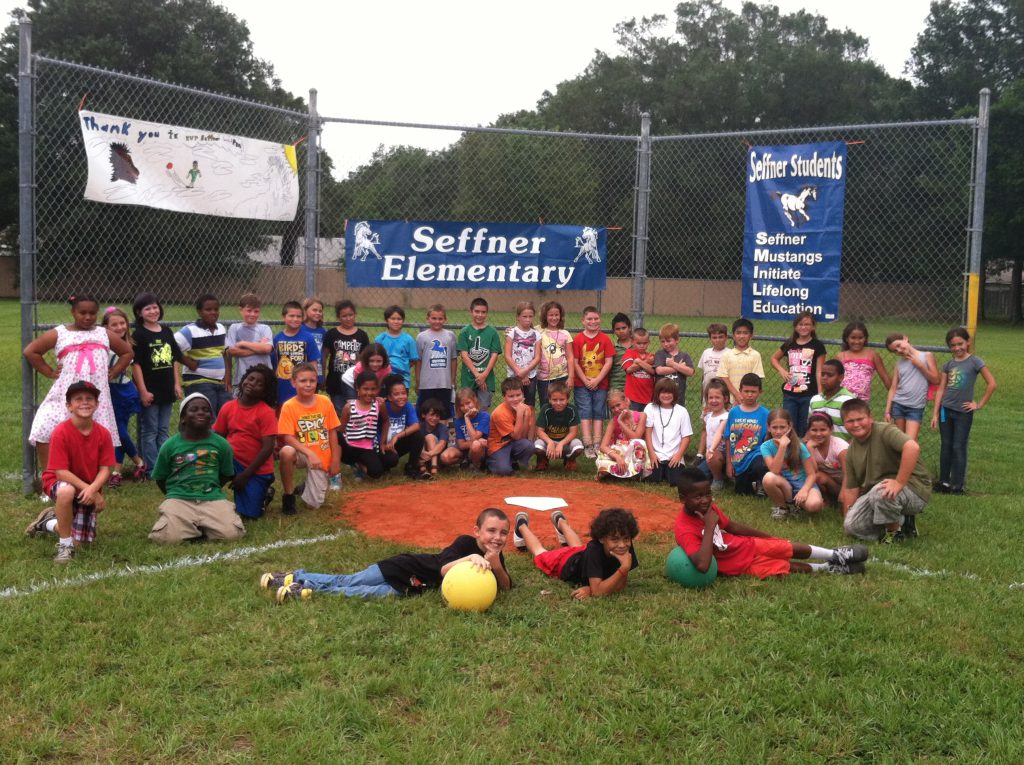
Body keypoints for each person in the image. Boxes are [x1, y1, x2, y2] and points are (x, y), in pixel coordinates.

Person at [262, 508, 512, 602]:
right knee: (350, 580)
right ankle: (295, 576)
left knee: (356, 593)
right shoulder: (465, 543)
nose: (497, 537)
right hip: (402, 567)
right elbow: (444, 570)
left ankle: (303, 590)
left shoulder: (495, 555)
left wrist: (495, 564)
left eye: (503, 533)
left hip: (410, 588)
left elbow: (506, 587)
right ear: (477, 531)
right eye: (491, 531)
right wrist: (470, 558)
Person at [674, 468, 868, 579]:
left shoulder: (708, 509)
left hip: (744, 545)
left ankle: (835, 554)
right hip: (738, 566)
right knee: (784, 566)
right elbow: (702, 565)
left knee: (786, 546)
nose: (705, 500)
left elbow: (732, 527)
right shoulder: (684, 529)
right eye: (698, 496)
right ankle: (827, 567)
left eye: (708, 494)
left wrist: (769, 537)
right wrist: (709, 526)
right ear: (683, 499)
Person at [25, 295, 130, 478]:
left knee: (95, 437)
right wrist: (49, 372)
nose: (88, 317)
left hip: (95, 397)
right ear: (73, 312)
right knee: (44, 428)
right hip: (65, 394)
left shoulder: (103, 333)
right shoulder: (60, 333)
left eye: (92, 313)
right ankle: (49, 480)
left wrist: (114, 371)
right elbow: (31, 351)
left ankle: (91, 480)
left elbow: (127, 352)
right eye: (82, 313)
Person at [24, 381, 116, 564]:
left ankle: (47, 523)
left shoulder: (104, 434)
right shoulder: (61, 432)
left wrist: (94, 490)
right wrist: (91, 491)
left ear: (97, 404)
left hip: (86, 486)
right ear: (69, 406)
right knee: (66, 491)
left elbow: (106, 469)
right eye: (78, 399)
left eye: (90, 398)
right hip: (59, 481)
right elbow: (61, 473)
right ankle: (65, 546)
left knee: (81, 543)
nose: (84, 402)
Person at [148, 392, 245, 544]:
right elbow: (161, 478)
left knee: (232, 534)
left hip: (212, 498)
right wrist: (175, 493)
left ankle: (195, 526)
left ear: (211, 418)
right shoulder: (170, 445)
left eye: (206, 410)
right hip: (180, 498)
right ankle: (190, 523)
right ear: (183, 418)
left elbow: (225, 474)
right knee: (166, 538)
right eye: (194, 409)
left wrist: (209, 489)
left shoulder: (222, 444)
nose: (201, 412)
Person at [841, 398, 931, 543]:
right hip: (879, 492)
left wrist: (899, 482)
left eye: (860, 419)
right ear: (844, 424)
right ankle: (903, 522)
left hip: (914, 487)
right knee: (852, 526)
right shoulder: (850, 451)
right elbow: (851, 490)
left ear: (870, 418)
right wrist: (848, 518)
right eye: (850, 421)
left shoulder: (885, 430)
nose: (856, 424)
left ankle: (893, 534)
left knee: (881, 491)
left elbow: (912, 448)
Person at [513, 508, 639, 600]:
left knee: (579, 547)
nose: (622, 545)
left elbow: (621, 585)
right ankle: (521, 526)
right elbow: (598, 592)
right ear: (601, 538)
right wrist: (623, 569)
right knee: (540, 553)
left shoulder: (624, 546)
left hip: (582, 553)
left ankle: (561, 522)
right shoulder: (594, 551)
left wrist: (591, 589)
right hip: (566, 563)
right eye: (615, 539)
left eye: (626, 539)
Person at [930, 327, 997, 494]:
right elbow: (940, 390)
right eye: (953, 345)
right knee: (946, 446)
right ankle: (944, 483)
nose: (957, 348)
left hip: (963, 413)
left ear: (968, 342)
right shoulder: (948, 365)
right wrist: (935, 413)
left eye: (960, 344)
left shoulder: (975, 362)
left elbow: (992, 384)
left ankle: (957, 486)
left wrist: (978, 404)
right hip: (946, 411)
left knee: (958, 447)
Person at [130, 292, 185, 478]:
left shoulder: (167, 331)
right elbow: (136, 365)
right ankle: (152, 469)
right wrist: (143, 391)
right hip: (150, 390)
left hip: (167, 388)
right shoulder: (139, 335)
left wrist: (177, 384)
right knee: (150, 430)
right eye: (148, 308)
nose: (153, 311)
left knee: (163, 430)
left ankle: (164, 466)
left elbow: (174, 359)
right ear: (139, 312)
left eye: (155, 307)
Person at [213, 364, 277, 519]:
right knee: (209, 473)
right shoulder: (228, 407)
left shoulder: (266, 412)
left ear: (265, 391)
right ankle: (208, 497)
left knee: (249, 516)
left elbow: (268, 448)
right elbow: (218, 438)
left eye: (259, 383)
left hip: (255, 469)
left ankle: (265, 493)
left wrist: (245, 475)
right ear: (243, 380)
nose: (252, 384)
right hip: (232, 461)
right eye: (250, 379)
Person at [279, 362, 342, 513]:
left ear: (317, 382)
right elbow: (287, 437)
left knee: (313, 505)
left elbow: (333, 432)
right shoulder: (288, 406)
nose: (308, 385)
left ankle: (305, 487)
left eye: (312, 381)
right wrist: (309, 452)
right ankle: (289, 496)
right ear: (293, 382)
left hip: (321, 455)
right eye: (303, 381)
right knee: (286, 451)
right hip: (301, 452)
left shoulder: (325, 401)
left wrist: (335, 460)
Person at [101, 307, 145, 485]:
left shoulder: (125, 346)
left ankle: (139, 462)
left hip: (123, 392)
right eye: (114, 325)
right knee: (117, 432)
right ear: (105, 327)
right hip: (109, 391)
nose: (119, 327)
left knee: (118, 431)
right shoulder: (103, 344)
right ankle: (117, 472)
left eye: (122, 323)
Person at [769, 310, 827, 437]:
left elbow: (819, 371)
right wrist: (782, 370)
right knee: (789, 425)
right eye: (800, 324)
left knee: (805, 426)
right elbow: (773, 359)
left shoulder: (817, 346)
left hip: (809, 393)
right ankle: (789, 452)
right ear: (795, 326)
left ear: (813, 327)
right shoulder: (790, 343)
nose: (803, 327)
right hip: (790, 393)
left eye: (807, 324)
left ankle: (802, 453)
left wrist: (820, 393)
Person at [761, 409, 823, 520]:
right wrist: (782, 447)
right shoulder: (766, 446)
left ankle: (798, 505)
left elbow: (812, 474)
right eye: (775, 427)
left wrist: (804, 490)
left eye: (782, 427)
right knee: (768, 478)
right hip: (785, 485)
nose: (779, 431)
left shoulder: (799, 445)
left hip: (803, 484)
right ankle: (783, 507)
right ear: (768, 427)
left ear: (790, 426)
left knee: (814, 505)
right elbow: (774, 471)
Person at [175, 293, 228, 417]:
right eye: (208, 310)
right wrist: (188, 362)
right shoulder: (190, 331)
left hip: (220, 382)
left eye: (216, 309)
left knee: (226, 416)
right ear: (199, 312)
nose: (213, 312)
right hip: (199, 381)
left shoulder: (221, 328)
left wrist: (227, 377)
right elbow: (170, 347)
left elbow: (225, 352)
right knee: (208, 419)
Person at [573, 306, 615, 458]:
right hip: (581, 384)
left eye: (596, 318)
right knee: (585, 412)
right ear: (583, 321)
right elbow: (575, 362)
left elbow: (608, 361)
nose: (593, 321)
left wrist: (597, 379)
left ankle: (598, 444)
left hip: (601, 383)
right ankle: (587, 444)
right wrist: (585, 380)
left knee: (598, 412)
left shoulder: (605, 339)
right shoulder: (578, 339)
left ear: (600, 320)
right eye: (589, 319)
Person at [884, 332, 940, 442]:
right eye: (895, 350)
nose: (899, 350)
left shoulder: (926, 356)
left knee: (910, 442)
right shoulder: (899, 364)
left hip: (915, 408)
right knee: (900, 441)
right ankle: (900, 460)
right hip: (898, 405)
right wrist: (887, 411)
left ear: (905, 338)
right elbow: (893, 388)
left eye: (899, 345)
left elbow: (936, 379)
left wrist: (920, 366)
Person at [337, 369, 388, 481]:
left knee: (377, 473)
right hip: (349, 446)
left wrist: (382, 442)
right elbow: (341, 430)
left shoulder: (379, 405)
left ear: (377, 389)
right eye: (365, 389)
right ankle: (337, 471)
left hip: (367, 448)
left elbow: (385, 421)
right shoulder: (349, 407)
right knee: (335, 435)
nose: (369, 393)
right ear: (357, 389)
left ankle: (358, 465)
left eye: (373, 389)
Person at [323, 299, 369, 416]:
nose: (348, 318)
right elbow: (324, 356)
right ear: (339, 317)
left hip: (354, 381)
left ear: (355, 315)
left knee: (354, 413)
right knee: (339, 412)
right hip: (336, 380)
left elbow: (364, 360)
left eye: (350, 315)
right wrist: (322, 376)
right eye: (344, 316)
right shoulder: (332, 334)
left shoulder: (362, 335)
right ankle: (340, 434)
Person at [726, 373, 769, 495]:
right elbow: (728, 437)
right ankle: (752, 484)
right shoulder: (734, 412)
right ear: (740, 391)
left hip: (756, 455)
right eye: (746, 391)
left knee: (759, 466)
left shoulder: (765, 413)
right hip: (738, 458)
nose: (750, 395)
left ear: (760, 392)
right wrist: (729, 464)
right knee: (742, 492)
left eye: (753, 391)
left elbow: (768, 440)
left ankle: (761, 482)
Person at [643, 378, 693, 487]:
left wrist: (678, 455)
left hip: (673, 455)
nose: (666, 395)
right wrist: (651, 453)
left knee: (676, 481)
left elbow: (686, 437)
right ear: (657, 393)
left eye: (669, 392)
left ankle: (667, 471)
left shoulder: (682, 411)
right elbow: (647, 432)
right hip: (656, 454)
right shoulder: (650, 408)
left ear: (674, 394)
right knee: (651, 479)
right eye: (663, 392)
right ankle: (661, 471)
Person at [272, 301, 321, 408]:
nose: (295, 319)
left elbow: (313, 363)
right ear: (283, 317)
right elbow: (274, 365)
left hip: (302, 385)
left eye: (298, 316)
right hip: (283, 386)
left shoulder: (308, 338)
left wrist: (313, 382)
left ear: (302, 318)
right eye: (291, 316)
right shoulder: (277, 339)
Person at [595, 389, 651, 480]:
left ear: (626, 401)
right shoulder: (613, 422)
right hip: (620, 453)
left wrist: (620, 422)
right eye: (612, 408)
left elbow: (636, 437)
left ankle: (623, 472)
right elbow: (603, 446)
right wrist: (617, 457)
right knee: (601, 455)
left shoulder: (641, 416)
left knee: (639, 443)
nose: (616, 409)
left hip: (633, 453)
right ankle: (625, 471)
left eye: (618, 405)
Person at [225, 293, 273, 397]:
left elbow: (267, 349)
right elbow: (232, 351)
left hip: (264, 378)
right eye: (249, 310)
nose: (252, 314)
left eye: (256, 311)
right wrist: (259, 346)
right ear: (241, 310)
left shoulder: (265, 328)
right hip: (242, 378)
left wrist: (243, 343)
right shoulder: (234, 328)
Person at [457, 297, 502, 410]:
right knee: (467, 407)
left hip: (486, 378)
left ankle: (480, 428)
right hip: (469, 377)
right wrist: (477, 375)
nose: (480, 315)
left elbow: (494, 355)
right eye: (477, 311)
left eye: (483, 312)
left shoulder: (492, 332)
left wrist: (484, 375)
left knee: (482, 409)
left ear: (487, 313)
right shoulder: (465, 332)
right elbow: (464, 355)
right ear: (471, 311)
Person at [486, 377, 535, 476]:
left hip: (513, 443)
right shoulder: (500, 413)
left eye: (518, 395)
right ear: (504, 397)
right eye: (511, 396)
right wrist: (520, 414)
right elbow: (516, 436)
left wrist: (525, 416)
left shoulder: (526, 409)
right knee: (504, 471)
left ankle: (516, 462)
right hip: (498, 446)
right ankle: (490, 461)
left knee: (529, 445)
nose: (516, 399)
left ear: (523, 394)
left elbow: (524, 436)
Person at [381, 374, 426, 480]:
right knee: (391, 460)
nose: (401, 397)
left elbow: (416, 426)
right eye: (396, 394)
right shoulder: (383, 408)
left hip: (396, 443)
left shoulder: (407, 406)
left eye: (403, 393)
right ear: (389, 397)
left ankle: (411, 467)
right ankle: (384, 466)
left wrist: (397, 437)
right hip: (382, 445)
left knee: (418, 436)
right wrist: (382, 444)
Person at [415, 304, 457, 418]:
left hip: (444, 383)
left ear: (445, 319)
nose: (437, 321)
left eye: (440, 318)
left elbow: (453, 359)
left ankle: (442, 435)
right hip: (426, 384)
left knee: (443, 414)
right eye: (434, 318)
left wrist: (453, 379)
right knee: (424, 413)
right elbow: (418, 361)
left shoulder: (450, 335)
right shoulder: (421, 337)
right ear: (428, 319)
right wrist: (418, 380)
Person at [533, 380, 584, 471]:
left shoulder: (572, 409)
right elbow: (539, 431)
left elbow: (573, 432)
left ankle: (569, 460)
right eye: (554, 400)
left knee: (578, 446)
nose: (558, 403)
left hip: (565, 443)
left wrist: (561, 443)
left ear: (567, 399)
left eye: (562, 399)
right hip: (549, 443)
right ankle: (543, 460)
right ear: (549, 399)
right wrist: (550, 442)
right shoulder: (546, 409)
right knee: (537, 446)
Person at [836, 321, 891, 406]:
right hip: (842, 400)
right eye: (853, 338)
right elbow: (834, 379)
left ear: (865, 338)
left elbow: (885, 378)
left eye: (860, 338)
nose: (857, 341)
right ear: (847, 338)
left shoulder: (872, 355)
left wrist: (895, 398)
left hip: (862, 402)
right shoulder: (841, 356)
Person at [804, 412, 848, 512]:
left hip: (848, 484)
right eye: (814, 430)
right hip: (832, 483)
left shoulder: (840, 447)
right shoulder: (807, 446)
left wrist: (843, 494)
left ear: (831, 429)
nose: (818, 434)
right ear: (808, 431)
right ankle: (827, 500)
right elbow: (812, 471)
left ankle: (841, 499)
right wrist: (810, 448)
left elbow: (849, 474)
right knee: (816, 476)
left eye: (823, 430)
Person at [536, 300, 574, 407]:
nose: (554, 318)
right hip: (543, 378)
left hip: (562, 376)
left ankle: (561, 424)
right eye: (551, 315)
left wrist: (571, 377)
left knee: (561, 404)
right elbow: (522, 330)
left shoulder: (565, 334)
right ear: (545, 316)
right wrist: (511, 330)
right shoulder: (537, 330)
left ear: (561, 316)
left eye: (556, 315)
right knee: (546, 405)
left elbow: (570, 357)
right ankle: (547, 424)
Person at [717, 318, 764, 404]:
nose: (741, 336)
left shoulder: (755, 355)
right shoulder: (727, 355)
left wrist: (743, 397)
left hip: (748, 400)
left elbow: (756, 379)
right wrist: (736, 395)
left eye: (745, 333)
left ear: (751, 335)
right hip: (728, 401)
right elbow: (723, 377)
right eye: (738, 333)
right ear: (733, 335)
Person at [504, 301, 541, 408]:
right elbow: (507, 356)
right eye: (524, 316)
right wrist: (519, 372)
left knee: (529, 406)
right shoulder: (511, 333)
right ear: (518, 317)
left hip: (530, 376)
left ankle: (529, 425)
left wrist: (525, 372)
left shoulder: (536, 335)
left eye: (530, 316)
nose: (528, 319)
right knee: (513, 405)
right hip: (514, 375)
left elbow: (537, 357)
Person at [695, 378, 730, 491]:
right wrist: (701, 453)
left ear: (725, 399)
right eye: (710, 398)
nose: (713, 400)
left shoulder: (726, 417)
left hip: (722, 456)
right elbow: (706, 433)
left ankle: (718, 479)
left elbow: (719, 435)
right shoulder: (708, 416)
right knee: (695, 477)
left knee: (714, 456)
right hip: (709, 457)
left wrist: (711, 450)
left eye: (717, 397)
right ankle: (716, 473)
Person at [809, 359, 856, 441]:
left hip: (844, 449)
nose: (824, 378)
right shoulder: (815, 400)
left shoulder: (848, 401)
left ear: (840, 377)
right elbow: (810, 426)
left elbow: (855, 430)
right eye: (822, 374)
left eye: (830, 375)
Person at [375, 305, 418, 390]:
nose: (396, 321)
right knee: (384, 402)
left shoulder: (408, 339)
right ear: (386, 320)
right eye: (393, 318)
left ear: (403, 320)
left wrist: (401, 367)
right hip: (383, 380)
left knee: (400, 401)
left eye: (399, 319)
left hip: (403, 381)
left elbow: (413, 360)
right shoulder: (380, 339)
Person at [654, 322, 695, 406]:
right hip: (661, 398)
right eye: (663, 341)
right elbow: (659, 370)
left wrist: (672, 364)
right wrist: (678, 367)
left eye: (669, 341)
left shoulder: (684, 356)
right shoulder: (660, 354)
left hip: (678, 399)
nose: (666, 344)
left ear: (677, 340)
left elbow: (690, 372)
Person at [419, 398, 462, 477]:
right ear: (423, 415)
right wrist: (422, 454)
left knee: (430, 437)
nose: (434, 418)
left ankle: (434, 469)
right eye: (432, 415)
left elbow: (442, 444)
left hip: (436, 457)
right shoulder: (419, 427)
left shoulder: (442, 427)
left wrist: (429, 454)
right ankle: (423, 469)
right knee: (418, 439)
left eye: (437, 416)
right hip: (422, 457)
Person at [454, 388, 490, 471]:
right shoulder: (458, 421)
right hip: (467, 451)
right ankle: (466, 463)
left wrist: (466, 418)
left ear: (475, 400)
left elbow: (474, 438)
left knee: (476, 444)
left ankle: (477, 467)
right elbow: (461, 445)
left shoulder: (484, 416)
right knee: (446, 456)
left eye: (468, 403)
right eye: (462, 405)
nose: (466, 407)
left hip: (482, 450)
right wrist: (479, 441)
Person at [621, 327, 656, 412]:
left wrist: (639, 362)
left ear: (649, 342)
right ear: (633, 342)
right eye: (639, 343)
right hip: (632, 397)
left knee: (645, 422)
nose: (642, 345)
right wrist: (647, 362)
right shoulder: (629, 353)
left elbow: (653, 371)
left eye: (645, 343)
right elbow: (629, 369)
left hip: (648, 397)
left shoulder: (652, 356)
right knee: (632, 421)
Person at [697, 322, 729, 397]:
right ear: (710, 338)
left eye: (720, 337)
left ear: (726, 337)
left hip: (723, 394)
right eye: (714, 337)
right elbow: (704, 375)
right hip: (708, 394)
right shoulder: (706, 352)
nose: (717, 340)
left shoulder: (730, 353)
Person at [301, 297, 327, 385]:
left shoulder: (322, 331)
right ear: (305, 311)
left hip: (317, 370)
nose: (318, 313)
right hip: (302, 371)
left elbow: (323, 354)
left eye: (320, 311)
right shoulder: (300, 329)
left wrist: (323, 374)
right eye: (314, 310)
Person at [608, 312, 632, 394]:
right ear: (614, 331)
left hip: (634, 386)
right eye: (617, 329)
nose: (621, 331)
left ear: (629, 328)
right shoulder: (612, 347)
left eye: (624, 328)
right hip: (616, 386)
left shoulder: (637, 346)